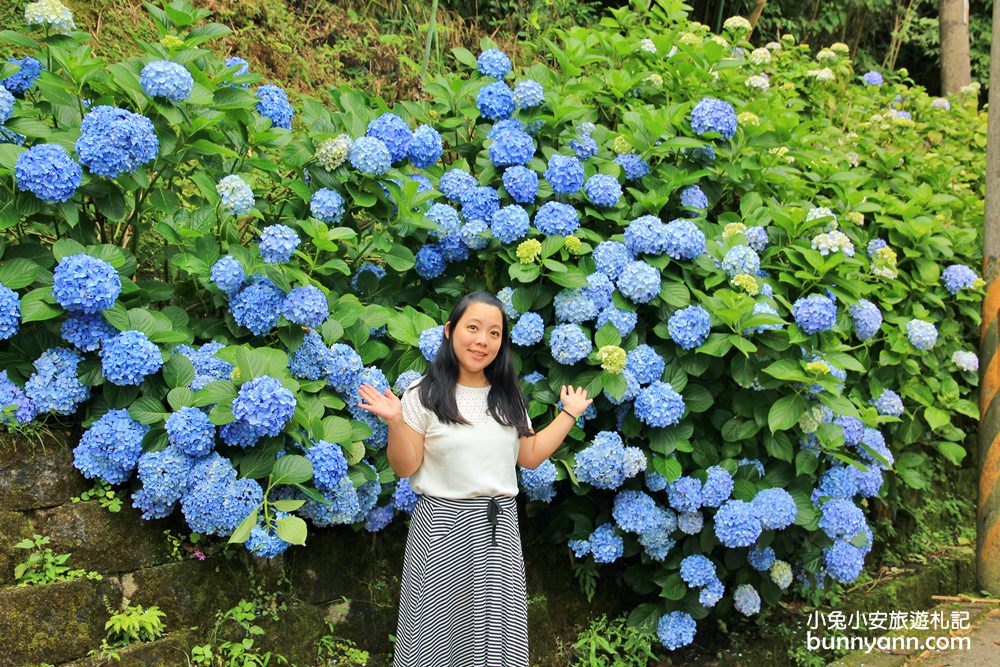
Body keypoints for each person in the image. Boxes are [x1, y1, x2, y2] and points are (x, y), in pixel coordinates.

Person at [356, 290, 593, 667]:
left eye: (494, 333)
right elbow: (405, 466)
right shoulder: (424, 394)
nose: (482, 340)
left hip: (498, 530)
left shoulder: (507, 395)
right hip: (441, 528)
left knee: (495, 639)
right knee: (433, 639)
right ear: (450, 330)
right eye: (473, 327)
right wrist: (397, 422)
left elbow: (529, 457)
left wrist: (569, 414)